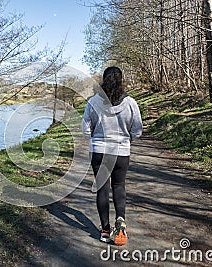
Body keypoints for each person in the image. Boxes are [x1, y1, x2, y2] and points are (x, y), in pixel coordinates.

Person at [81, 66, 143, 245]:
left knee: (102, 189)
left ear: (104, 80)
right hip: (121, 151)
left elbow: (85, 128)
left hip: (99, 151)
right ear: (121, 80)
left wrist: (94, 138)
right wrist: (126, 139)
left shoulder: (93, 102)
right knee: (119, 186)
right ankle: (121, 221)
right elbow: (137, 130)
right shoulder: (130, 102)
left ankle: (105, 230)